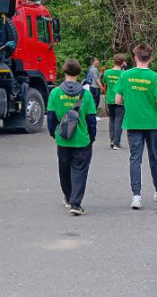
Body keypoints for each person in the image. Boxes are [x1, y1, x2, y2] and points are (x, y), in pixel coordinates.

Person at [113, 43, 157, 210]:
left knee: (135, 159)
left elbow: (117, 100)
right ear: (150, 58)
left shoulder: (125, 76)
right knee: (155, 158)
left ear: (135, 57)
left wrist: (131, 101)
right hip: (151, 123)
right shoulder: (155, 78)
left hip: (133, 122)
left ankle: (136, 196)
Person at [47, 59, 98, 215]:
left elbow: (51, 117)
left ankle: (68, 197)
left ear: (64, 71)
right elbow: (91, 119)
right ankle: (76, 204)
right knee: (79, 170)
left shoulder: (55, 92)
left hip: (63, 138)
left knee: (64, 169)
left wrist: (53, 133)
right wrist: (92, 137)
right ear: (78, 73)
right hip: (81, 139)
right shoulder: (86, 94)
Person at [101, 53, 128, 150]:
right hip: (120, 100)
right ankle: (117, 143)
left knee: (112, 119)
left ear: (113, 61)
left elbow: (104, 82)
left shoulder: (107, 72)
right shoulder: (124, 74)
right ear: (122, 63)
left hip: (110, 99)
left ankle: (112, 140)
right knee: (119, 121)